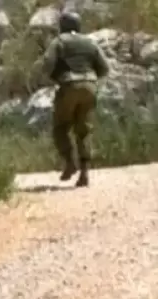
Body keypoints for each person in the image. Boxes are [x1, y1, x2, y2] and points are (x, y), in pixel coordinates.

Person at [38, 10, 110, 187]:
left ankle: (70, 162)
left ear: (62, 26)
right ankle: (85, 173)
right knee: (84, 130)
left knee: (60, 127)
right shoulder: (90, 42)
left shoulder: (59, 41)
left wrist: (52, 77)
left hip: (69, 85)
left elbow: (47, 63)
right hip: (90, 86)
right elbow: (105, 67)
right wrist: (90, 77)